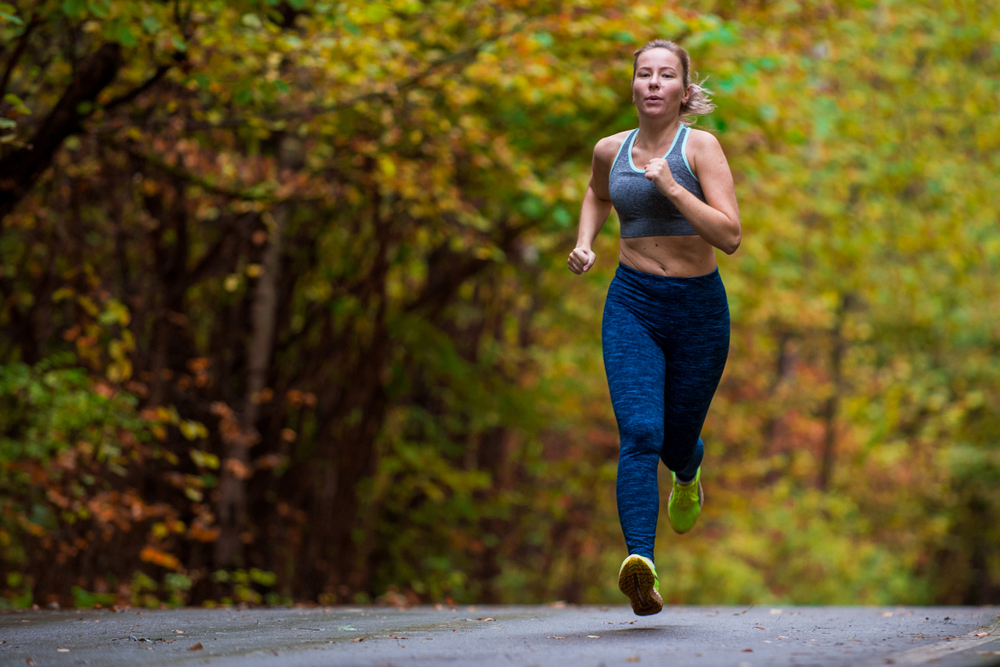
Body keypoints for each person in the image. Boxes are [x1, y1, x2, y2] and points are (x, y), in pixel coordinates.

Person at [567, 39, 741, 616]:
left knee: (673, 440)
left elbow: (730, 236)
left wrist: (669, 186)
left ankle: (688, 470)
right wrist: (584, 242)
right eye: (645, 74)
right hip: (633, 302)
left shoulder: (702, 149)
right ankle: (641, 564)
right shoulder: (610, 150)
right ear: (634, 86)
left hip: (698, 310)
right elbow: (596, 195)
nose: (654, 84)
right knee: (640, 432)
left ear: (683, 90)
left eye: (667, 75)